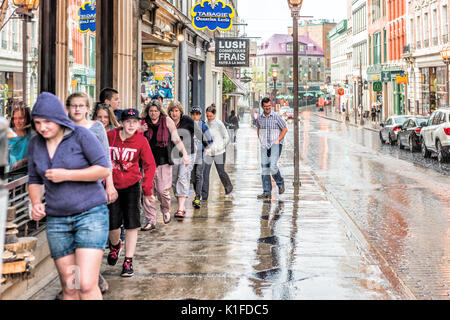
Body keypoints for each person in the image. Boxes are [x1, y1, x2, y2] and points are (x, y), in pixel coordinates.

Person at [28, 92, 110, 300]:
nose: (42, 127)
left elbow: (103, 169)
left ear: (58, 118)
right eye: (37, 123)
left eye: (47, 121)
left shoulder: (80, 135)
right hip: (57, 221)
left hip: (90, 216)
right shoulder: (36, 144)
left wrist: (67, 175)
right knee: (70, 286)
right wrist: (36, 202)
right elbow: (35, 179)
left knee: (86, 283)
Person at [65, 92, 118, 295]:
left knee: (89, 239)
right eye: (73, 105)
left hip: (92, 191)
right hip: (69, 191)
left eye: (81, 105)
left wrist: (110, 185)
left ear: (88, 109)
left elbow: (105, 158)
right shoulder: (65, 128)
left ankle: (93, 279)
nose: (77, 109)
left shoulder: (97, 129)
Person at [106, 109, 156, 277]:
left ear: (139, 124)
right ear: (121, 123)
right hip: (112, 186)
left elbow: (150, 164)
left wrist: (147, 190)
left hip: (132, 185)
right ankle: (115, 246)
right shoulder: (109, 136)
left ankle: (128, 261)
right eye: (128, 121)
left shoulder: (141, 141)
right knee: (112, 225)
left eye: (135, 122)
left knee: (131, 224)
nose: (131, 125)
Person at [140, 100, 189, 231]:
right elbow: (133, 138)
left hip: (164, 161)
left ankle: (165, 210)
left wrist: (184, 153)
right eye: (151, 111)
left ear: (159, 111)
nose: (153, 113)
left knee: (162, 190)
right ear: (147, 111)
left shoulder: (167, 121)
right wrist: (140, 130)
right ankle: (150, 220)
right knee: (148, 191)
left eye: (155, 111)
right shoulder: (143, 122)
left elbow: (176, 139)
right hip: (147, 162)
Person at [167, 101, 196, 219]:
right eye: (172, 111)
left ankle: (180, 208)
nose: (174, 113)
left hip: (188, 153)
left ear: (180, 112)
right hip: (173, 154)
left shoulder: (187, 120)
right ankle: (181, 203)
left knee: (182, 177)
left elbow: (197, 133)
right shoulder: (167, 122)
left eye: (176, 111)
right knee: (173, 180)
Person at [256, 98, 288, 200]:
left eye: (269, 106)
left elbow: (285, 129)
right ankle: (266, 192)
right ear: (262, 107)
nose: (268, 108)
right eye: (266, 107)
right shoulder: (259, 118)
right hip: (265, 145)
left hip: (276, 144)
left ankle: (280, 183)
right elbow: (258, 128)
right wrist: (261, 140)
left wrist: (278, 140)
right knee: (265, 168)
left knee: (273, 166)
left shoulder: (276, 116)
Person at [202, 105, 233, 201]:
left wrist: (220, 147)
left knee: (221, 172)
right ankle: (204, 195)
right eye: (207, 116)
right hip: (208, 152)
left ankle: (229, 188)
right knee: (205, 173)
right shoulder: (205, 124)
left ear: (214, 114)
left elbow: (226, 137)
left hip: (219, 152)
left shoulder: (219, 124)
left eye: (210, 116)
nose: (209, 118)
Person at [189, 106, 213, 209]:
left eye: (197, 114)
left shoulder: (203, 126)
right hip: (190, 154)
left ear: (200, 115)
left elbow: (210, 140)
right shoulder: (188, 125)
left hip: (200, 154)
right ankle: (197, 194)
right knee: (193, 177)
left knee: (199, 175)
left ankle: (198, 197)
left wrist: (206, 148)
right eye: (193, 114)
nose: (195, 116)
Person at [8, 102, 32, 171]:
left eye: (21, 118)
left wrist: (23, 161)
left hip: (27, 175)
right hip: (9, 176)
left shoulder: (32, 136)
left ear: (27, 119)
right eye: (15, 118)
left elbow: (38, 156)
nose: (17, 121)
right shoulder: (8, 134)